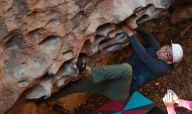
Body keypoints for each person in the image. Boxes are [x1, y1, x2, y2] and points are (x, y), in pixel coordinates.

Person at [45, 16, 183, 102]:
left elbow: (144, 57)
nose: (165, 50)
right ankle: (43, 101)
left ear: (169, 61)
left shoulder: (162, 68)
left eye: (168, 54)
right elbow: (148, 36)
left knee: (127, 69)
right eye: (167, 47)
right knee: (74, 87)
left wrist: (130, 34)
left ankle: (89, 71)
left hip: (120, 91)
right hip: (111, 79)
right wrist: (136, 26)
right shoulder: (156, 48)